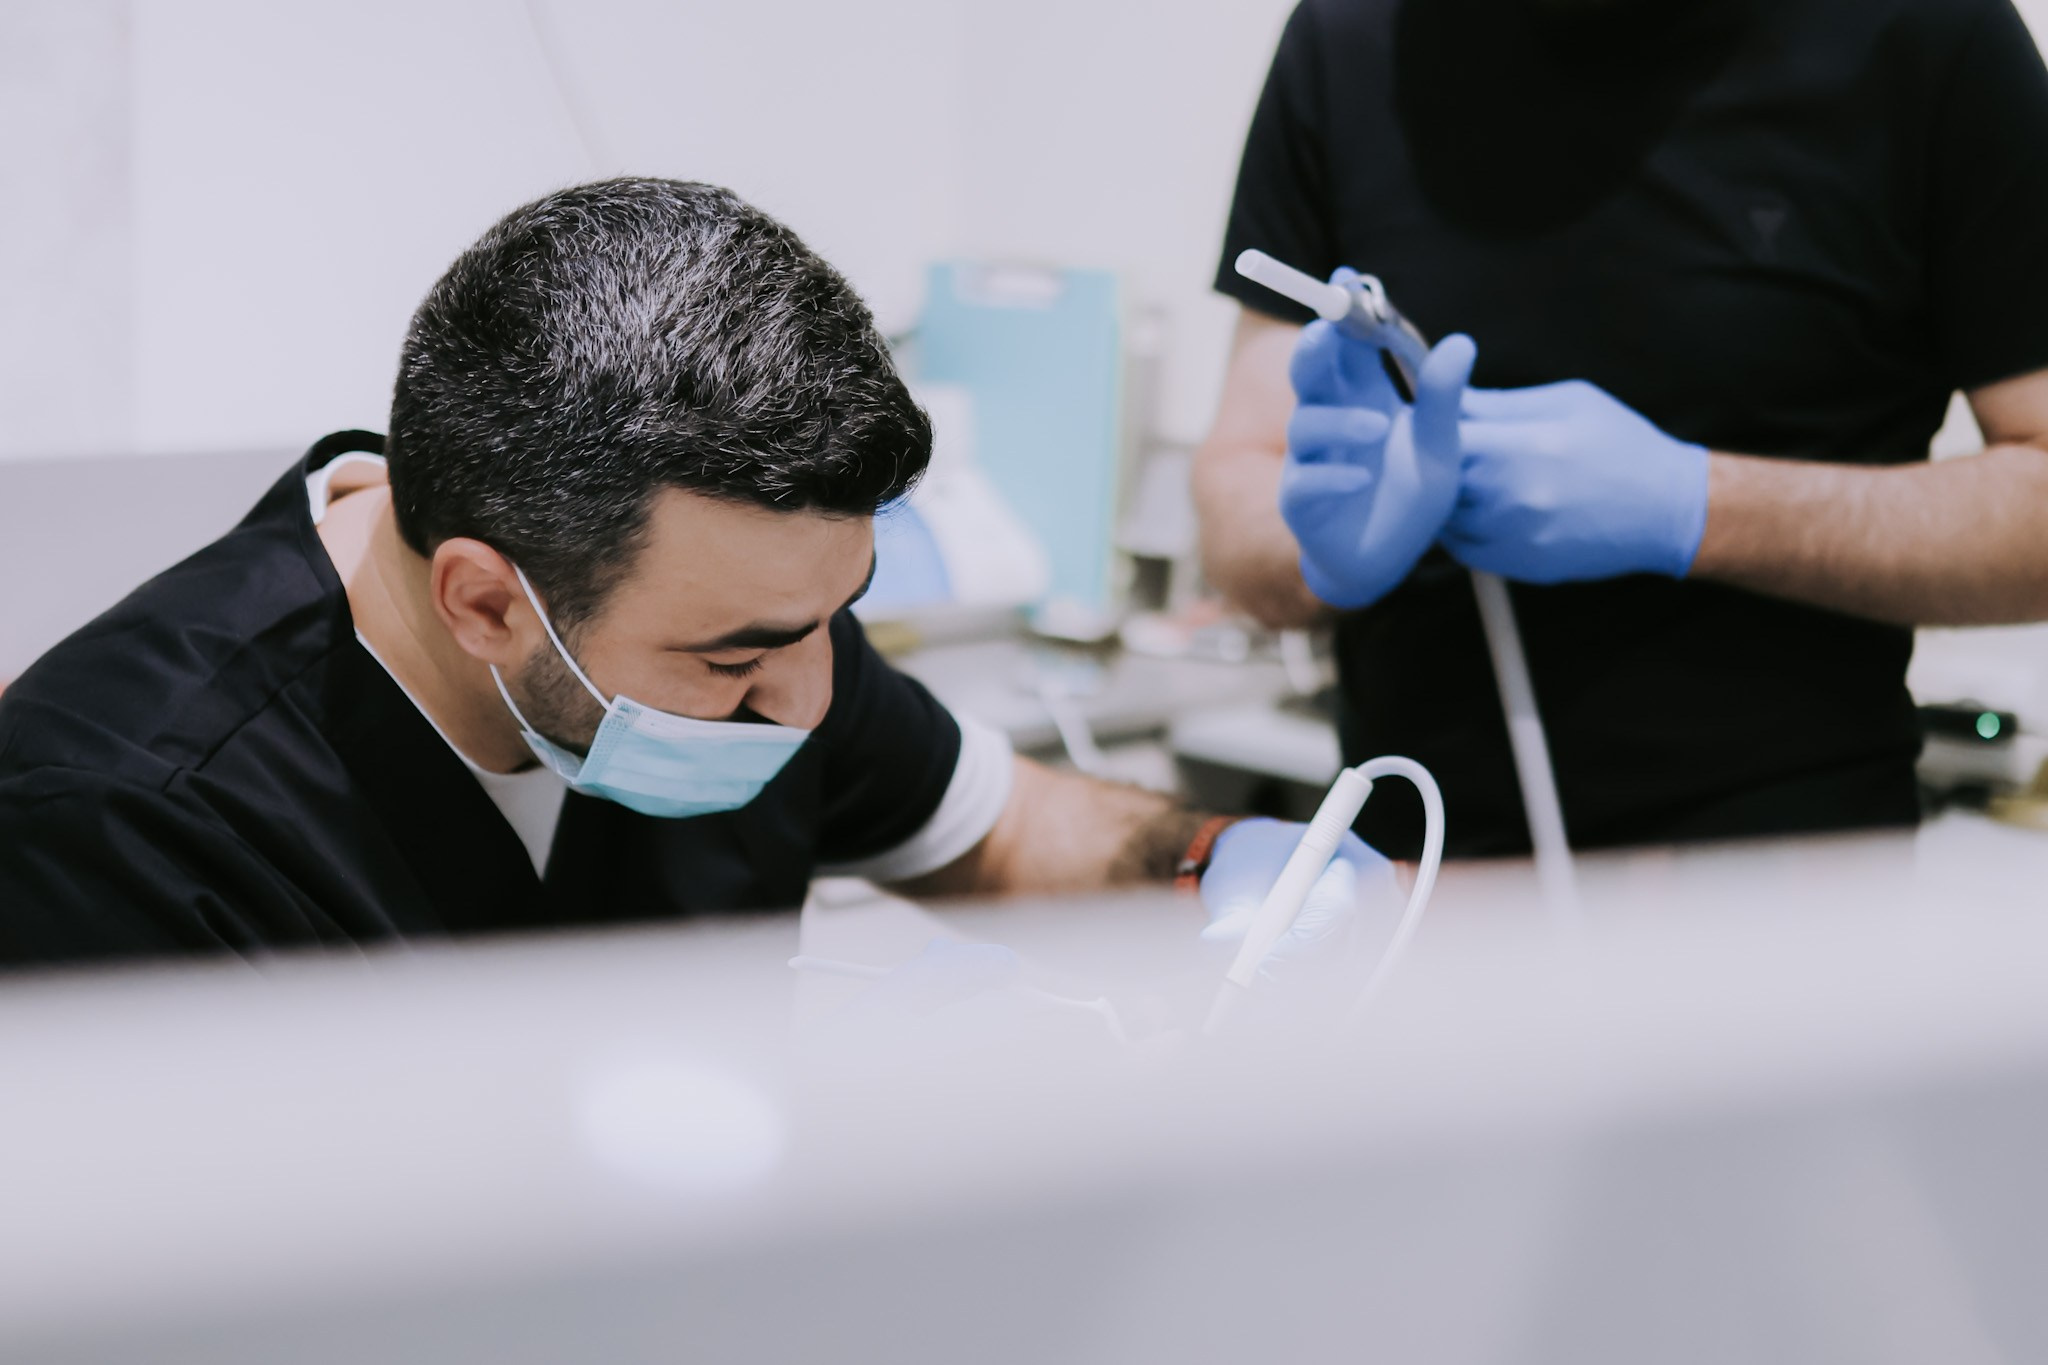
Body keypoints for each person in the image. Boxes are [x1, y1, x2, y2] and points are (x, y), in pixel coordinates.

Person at [0, 179, 1383, 967]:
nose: (807, 698)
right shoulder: (114, 830)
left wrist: (1219, 861)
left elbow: (1009, 831)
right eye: (733, 658)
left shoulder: (769, 637)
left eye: (838, 616)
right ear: (485, 598)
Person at [1195, 0, 2048, 859]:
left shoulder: (1931, 34)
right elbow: (1242, 479)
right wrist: (1315, 553)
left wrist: (1698, 505)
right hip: (1411, 882)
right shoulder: (1350, 38)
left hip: (1783, 899)